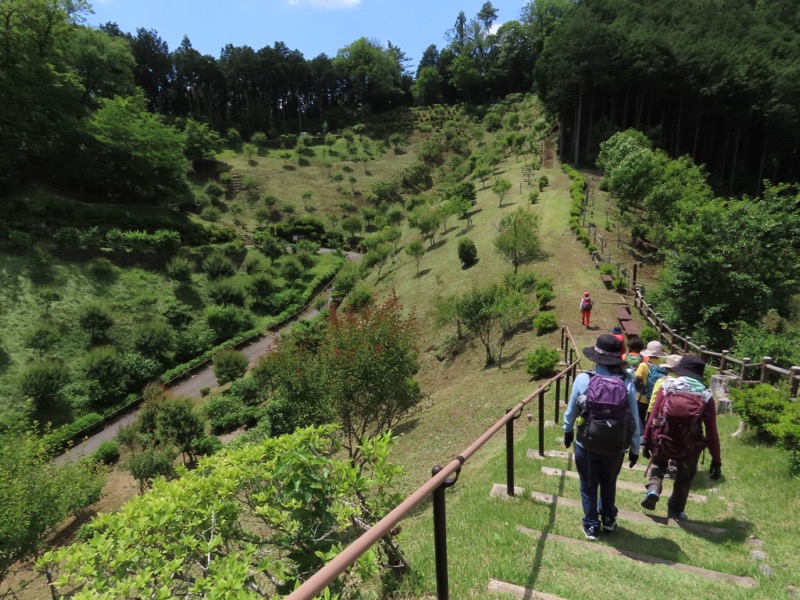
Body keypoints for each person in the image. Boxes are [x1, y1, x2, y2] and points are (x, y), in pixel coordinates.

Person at [563, 334, 641, 540]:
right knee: (609, 481)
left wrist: (567, 430)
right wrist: (635, 448)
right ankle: (608, 519)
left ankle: (590, 525)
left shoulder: (584, 379)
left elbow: (571, 411)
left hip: (586, 443)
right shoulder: (627, 383)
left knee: (588, 484)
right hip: (615, 446)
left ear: (596, 358)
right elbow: (634, 418)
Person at [641, 355, 722, 521]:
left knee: (658, 463)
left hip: (663, 438)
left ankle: (654, 489)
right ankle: (675, 511)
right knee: (684, 477)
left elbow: (653, 415)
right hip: (689, 445)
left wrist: (646, 440)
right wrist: (716, 460)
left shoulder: (668, 387)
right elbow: (712, 431)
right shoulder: (705, 396)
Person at [633, 340, 668, 427]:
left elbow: (635, 379)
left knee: (640, 418)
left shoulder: (643, 365)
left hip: (642, 397)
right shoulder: (663, 366)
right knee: (651, 420)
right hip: (656, 399)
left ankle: (640, 435)